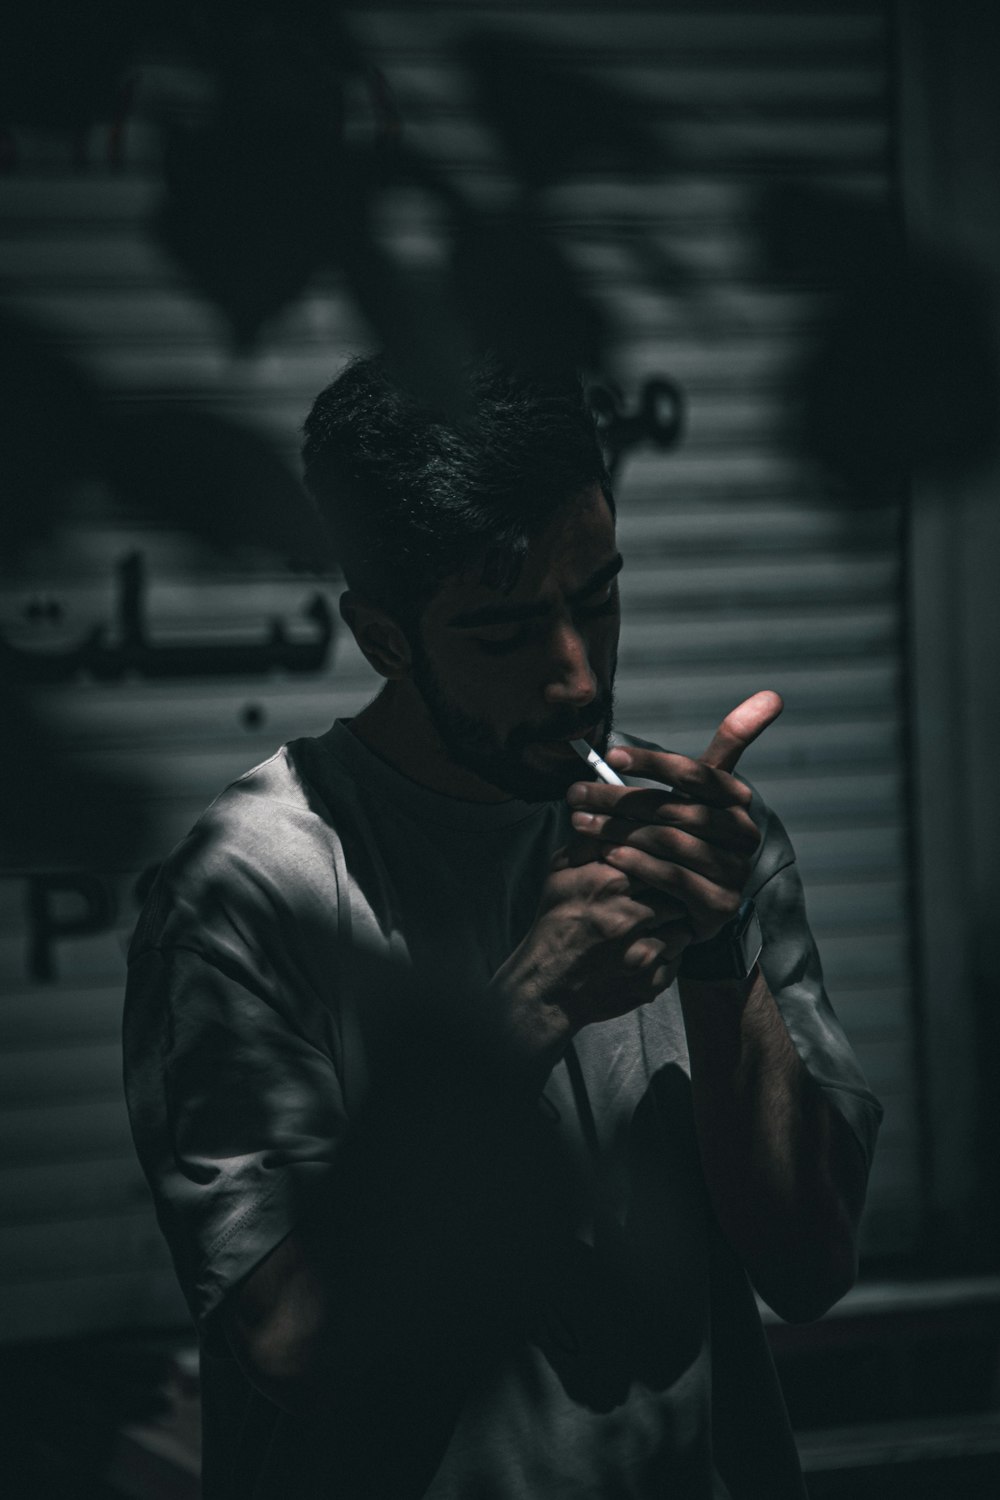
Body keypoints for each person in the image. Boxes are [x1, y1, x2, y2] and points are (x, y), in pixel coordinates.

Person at [124, 355, 882, 1499]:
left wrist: (722, 955)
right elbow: (288, 1345)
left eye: (596, 599)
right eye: (503, 633)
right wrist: (524, 1006)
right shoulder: (250, 892)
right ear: (385, 637)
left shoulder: (700, 845)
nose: (574, 677)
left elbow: (810, 1266)